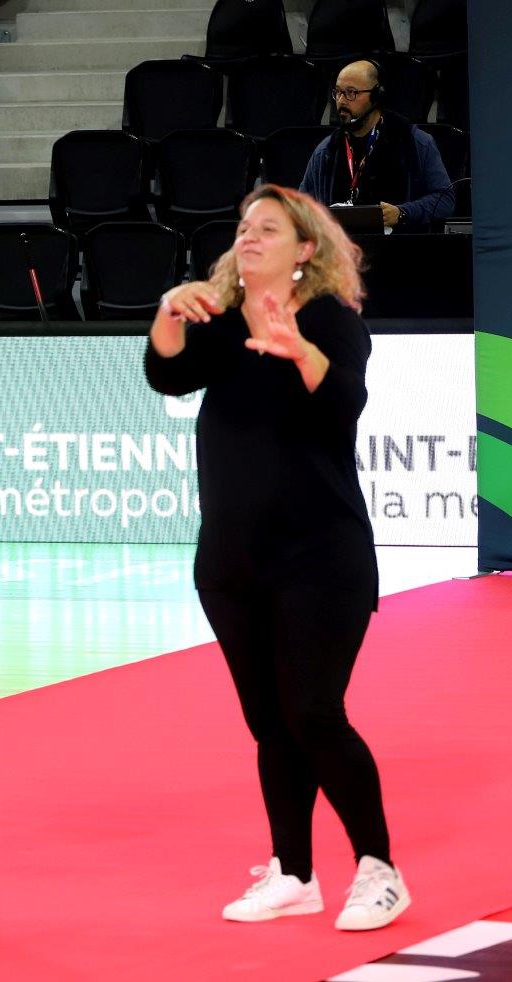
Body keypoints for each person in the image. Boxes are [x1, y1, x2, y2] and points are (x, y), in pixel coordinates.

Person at [145, 185, 410, 931]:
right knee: (271, 725)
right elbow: (168, 375)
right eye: (242, 227)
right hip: (230, 560)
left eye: (268, 229)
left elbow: (343, 405)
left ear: (304, 251)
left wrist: (299, 351)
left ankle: (379, 868)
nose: (249, 237)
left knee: (315, 713)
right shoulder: (220, 319)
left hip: (320, 557)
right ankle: (294, 872)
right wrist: (170, 314)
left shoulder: (331, 318)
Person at [300, 59, 453, 231]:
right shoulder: (326, 151)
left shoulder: (415, 142)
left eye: (351, 93)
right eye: (338, 92)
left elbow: (445, 200)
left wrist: (403, 213)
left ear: (377, 96)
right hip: (342, 251)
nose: (342, 101)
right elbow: (301, 207)